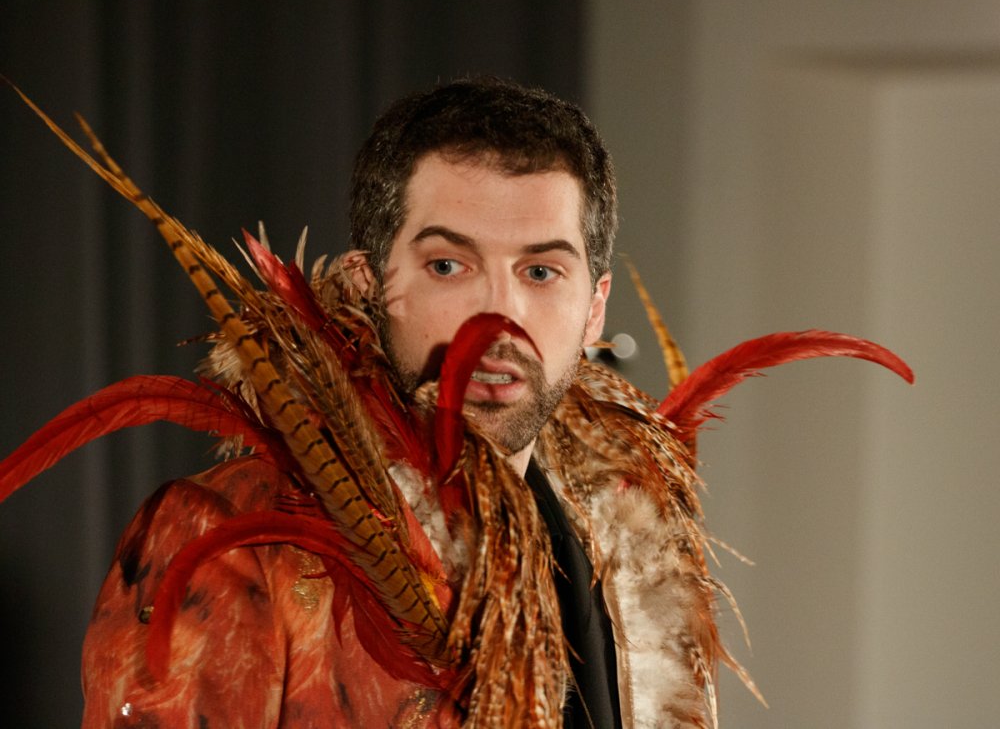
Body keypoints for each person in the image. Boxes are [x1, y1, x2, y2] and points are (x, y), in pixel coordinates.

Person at [6, 77, 739, 728]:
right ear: (366, 284)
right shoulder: (231, 536)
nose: (500, 317)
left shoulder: (634, 569)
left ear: (594, 309)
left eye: (541, 271)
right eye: (448, 265)